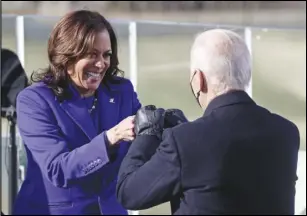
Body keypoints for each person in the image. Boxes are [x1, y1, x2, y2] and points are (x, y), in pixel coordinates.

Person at [116, 29, 300, 215]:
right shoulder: (286, 133)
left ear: (198, 79)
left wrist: (147, 135)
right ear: (247, 74)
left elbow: (129, 193)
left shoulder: (184, 141)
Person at [13, 10, 141, 215]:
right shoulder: (34, 100)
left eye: (106, 55)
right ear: (66, 56)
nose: (101, 64)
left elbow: (143, 146)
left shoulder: (121, 91)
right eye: (91, 54)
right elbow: (57, 169)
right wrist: (111, 137)